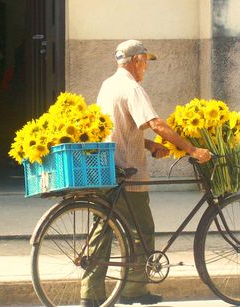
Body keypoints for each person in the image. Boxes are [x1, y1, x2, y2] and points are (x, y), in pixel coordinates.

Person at [80, 39, 211, 307]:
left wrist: (150, 145)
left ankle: (91, 295)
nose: (146, 68)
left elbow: (120, 126)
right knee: (141, 230)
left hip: (105, 165)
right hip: (129, 170)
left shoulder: (108, 85)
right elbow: (155, 123)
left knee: (103, 230)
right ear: (136, 61)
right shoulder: (132, 88)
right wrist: (191, 149)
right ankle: (133, 290)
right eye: (145, 62)